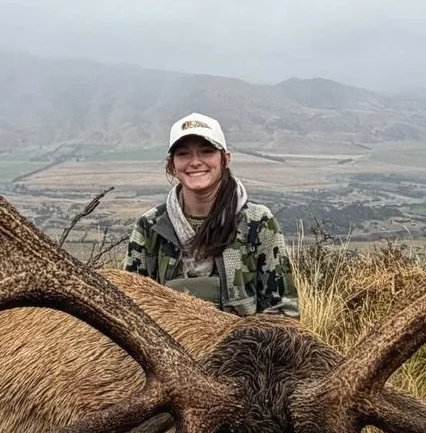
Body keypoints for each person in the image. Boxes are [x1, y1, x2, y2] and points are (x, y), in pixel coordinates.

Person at [125, 112, 299, 317]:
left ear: (225, 159)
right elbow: (130, 309)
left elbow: (284, 310)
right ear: (171, 165)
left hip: (245, 347)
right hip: (161, 347)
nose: (195, 162)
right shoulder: (150, 226)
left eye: (206, 151)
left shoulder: (258, 222)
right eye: (183, 154)